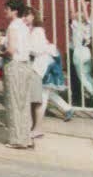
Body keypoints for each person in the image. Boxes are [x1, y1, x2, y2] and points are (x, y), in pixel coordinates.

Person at [24, 7, 73, 136]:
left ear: (33, 16)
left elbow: (38, 50)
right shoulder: (31, 30)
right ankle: (67, 108)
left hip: (44, 65)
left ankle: (37, 129)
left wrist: (25, 48)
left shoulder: (38, 31)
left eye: (26, 15)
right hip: (40, 64)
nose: (24, 18)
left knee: (42, 95)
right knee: (44, 93)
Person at [0, 0, 41, 149]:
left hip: (14, 65)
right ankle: (26, 137)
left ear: (14, 11)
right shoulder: (24, 26)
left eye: (7, 9)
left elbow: (11, 49)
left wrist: (0, 53)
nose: (5, 11)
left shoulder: (13, 27)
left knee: (14, 102)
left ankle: (17, 139)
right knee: (24, 102)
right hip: (26, 65)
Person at [68, 0, 93, 99]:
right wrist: (83, 3)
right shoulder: (89, 25)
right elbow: (87, 15)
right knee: (87, 74)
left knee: (82, 76)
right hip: (87, 52)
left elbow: (72, 14)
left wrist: (71, 0)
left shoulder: (76, 26)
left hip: (78, 52)